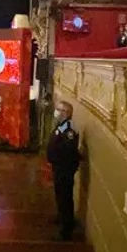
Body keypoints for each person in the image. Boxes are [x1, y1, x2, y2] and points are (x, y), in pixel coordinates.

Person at [47, 101, 82, 240]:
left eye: (60, 110)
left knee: (65, 196)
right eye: (57, 109)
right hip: (59, 167)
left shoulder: (69, 129)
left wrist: (56, 157)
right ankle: (61, 216)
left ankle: (66, 229)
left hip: (64, 168)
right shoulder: (62, 125)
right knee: (60, 194)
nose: (57, 112)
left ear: (67, 113)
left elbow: (68, 149)